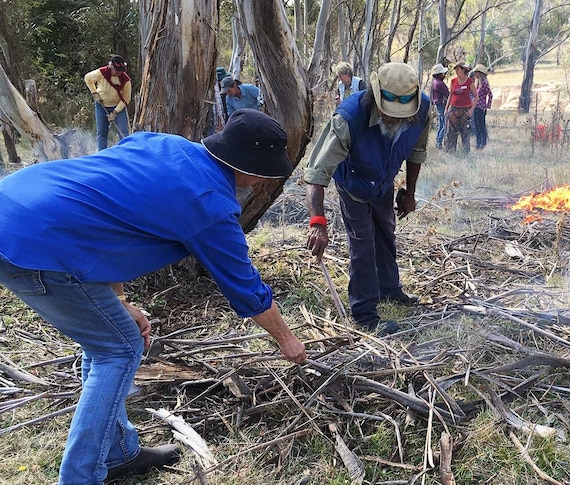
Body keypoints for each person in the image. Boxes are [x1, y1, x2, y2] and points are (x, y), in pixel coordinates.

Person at [0, 109, 306, 484]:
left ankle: (117, 453)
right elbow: (245, 287)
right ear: (253, 169)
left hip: (17, 206)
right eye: (266, 172)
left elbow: (108, 216)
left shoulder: (167, 144)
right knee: (119, 348)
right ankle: (80, 477)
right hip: (37, 244)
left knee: (106, 342)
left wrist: (121, 304)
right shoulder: (210, 205)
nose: (263, 181)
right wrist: (287, 340)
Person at [304, 62, 430, 336]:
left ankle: (389, 289)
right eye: (390, 114)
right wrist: (317, 222)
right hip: (354, 185)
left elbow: (416, 152)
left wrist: (409, 192)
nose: (396, 120)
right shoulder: (349, 118)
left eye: (402, 115)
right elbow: (317, 174)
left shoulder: (423, 109)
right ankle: (364, 314)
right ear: (375, 97)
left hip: (383, 182)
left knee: (386, 233)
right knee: (363, 245)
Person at [84, 55, 132, 150]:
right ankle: (102, 155)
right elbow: (87, 79)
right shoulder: (102, 73)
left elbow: (126, 99)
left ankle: (127, 154)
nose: (119, 73)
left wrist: (115, 112)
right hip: (101, 106)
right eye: (117, 70)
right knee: (102, 133)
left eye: (120, 71)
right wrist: (94, 93)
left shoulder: (126, 80)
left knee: (124, 134)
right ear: (111, 67)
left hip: (118, 108)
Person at [444, 61, 477, 155]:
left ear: (463, 70)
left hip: (465, 110)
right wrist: (447, 108)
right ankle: (450, 153)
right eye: (455, 70)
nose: (456, 71)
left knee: (465, 133)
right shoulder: (453, 81)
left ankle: (466, 153)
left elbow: (476, 96)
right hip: (453, 109)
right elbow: (450, 95)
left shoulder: (469, 82)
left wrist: (471, 110)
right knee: (451, 132)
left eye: (458, 69)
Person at [472, 64, 493, 149]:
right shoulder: (476, 83)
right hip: (475, 107)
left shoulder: (484, 83)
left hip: (481, 108)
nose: (475, 74)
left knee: (481, 125)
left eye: (476, 72)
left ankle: (483, 142)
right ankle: (478, 143)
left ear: (479, 73)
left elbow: (490, 94)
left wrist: (488, 105)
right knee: (476, 126)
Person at [429, 63, 449, 149]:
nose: (444, 74)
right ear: (440, 74)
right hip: (441, 105)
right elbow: (448, 94)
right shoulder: (440, 84)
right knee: (445, 124)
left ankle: (438, 141)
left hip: (437, 105)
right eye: (443, 73)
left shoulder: (434, 82)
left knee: (441, 124)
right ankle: (439, 143)